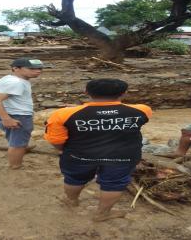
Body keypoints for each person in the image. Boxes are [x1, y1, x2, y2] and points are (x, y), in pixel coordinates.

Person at [44, 79, 152, 222]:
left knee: (74, 178)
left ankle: (71, 201)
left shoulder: (63, 114)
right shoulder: (142, 110)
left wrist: (63, 150)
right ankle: (102, 213)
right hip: (122, 156)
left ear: (86, 92)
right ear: (124, 93)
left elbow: (56, 141)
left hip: (80, 155)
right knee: (114, 184)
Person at [0, 58, 43, 170]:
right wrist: (6, 118)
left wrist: (0, 109)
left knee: (15, 139)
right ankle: (15, 165)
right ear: (15, 68)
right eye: (32, 68)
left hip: (9, 114)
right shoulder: (15, 82)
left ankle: (21, 148)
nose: (37, 71)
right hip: (17, 116)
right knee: (18, 144)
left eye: (40, 68)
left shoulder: (9, 79)